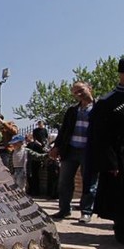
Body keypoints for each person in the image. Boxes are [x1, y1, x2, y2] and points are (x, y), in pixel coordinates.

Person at [48, 81, 97, 221]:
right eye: (75, 92)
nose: (78, 94)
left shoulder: (98, 108)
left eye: (81, 90)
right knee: (64, 182)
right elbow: (63, 131)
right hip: (70, 150)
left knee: (89, 182)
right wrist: (56, 147)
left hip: (89, 151)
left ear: (89, 88)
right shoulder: (72, 111)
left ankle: (86, 212)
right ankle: (64, 210)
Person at [90, 58, 124, 242]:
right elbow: (101, 136)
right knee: (120, 199)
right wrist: (111, 162)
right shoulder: (109, 101)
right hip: (119, 157)